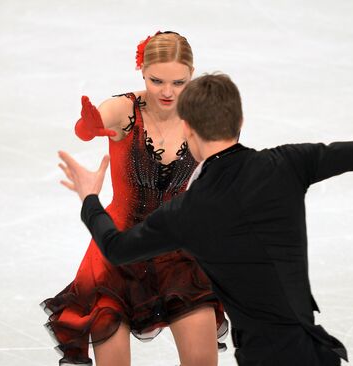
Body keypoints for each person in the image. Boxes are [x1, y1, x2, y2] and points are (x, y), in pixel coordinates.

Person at [57, 73, 353, 366]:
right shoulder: (287, 164)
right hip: (316, 354)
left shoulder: (189, 212)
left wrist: (89, 198)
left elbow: (117, 248)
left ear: (187, 127)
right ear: (240, 123)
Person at [41, 33, 227, 366]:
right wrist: (91, 124)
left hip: (178, 253)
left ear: (192, 73)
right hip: (117, 251)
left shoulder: (201, 117)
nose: (167, 92)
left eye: (179, 82)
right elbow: (88, 129)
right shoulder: (125, 109)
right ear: (141, 70)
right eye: (157, 81)